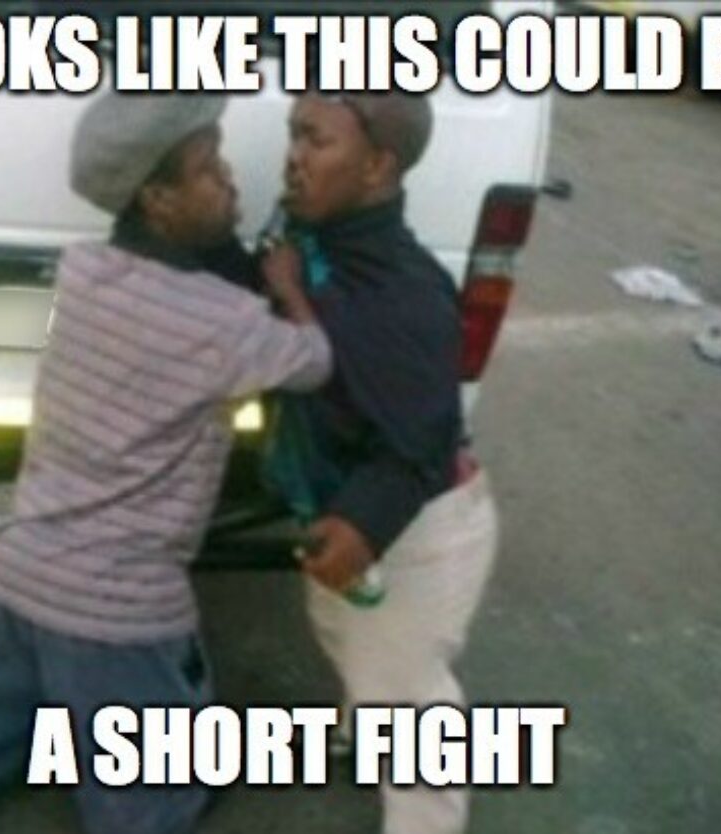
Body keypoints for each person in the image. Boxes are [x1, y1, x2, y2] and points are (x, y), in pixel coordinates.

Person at [0, 93, 332, 834]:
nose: (230, 177)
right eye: (208, 167)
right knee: (151, 809)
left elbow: (171, 297)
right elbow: (314, 362)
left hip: (10, 578)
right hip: (115, 615)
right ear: (158, 200)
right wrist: (289, 290)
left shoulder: (82, 272)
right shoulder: (227, 324)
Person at [264, 91, 498, 834]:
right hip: (353, 506)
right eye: (293, 134)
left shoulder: (406, 294)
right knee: (344, 638)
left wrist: (363, 524)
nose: (293, 157)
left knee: (406, 705)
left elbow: (421, 443)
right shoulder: (314, 238)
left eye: (316, 141)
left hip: (419, 530)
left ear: (376, 167)